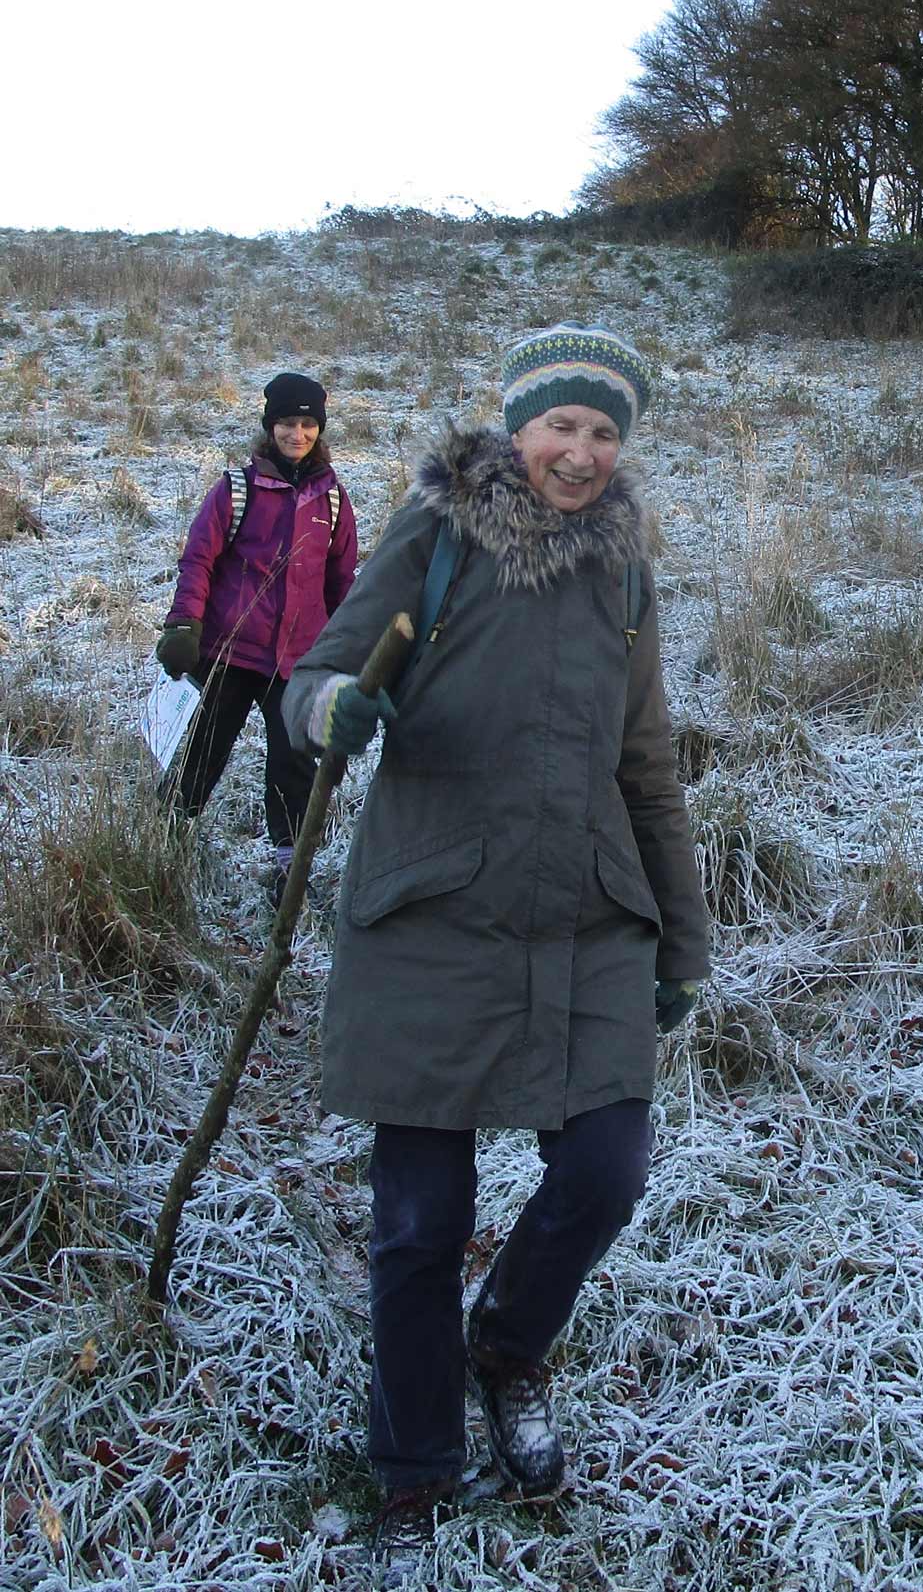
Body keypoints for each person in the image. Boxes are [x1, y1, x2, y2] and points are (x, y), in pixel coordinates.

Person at [281, 323, 709, 1581]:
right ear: (515, 424)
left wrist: (681, 937)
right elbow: (314, 675)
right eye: (559, 425)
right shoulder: (438, 535)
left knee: (608, 1166)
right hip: (431, 918)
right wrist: (332, 709)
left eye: (602, 431)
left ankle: (508, 1344)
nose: (579, 453)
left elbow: (647, 769)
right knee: (420, 1218)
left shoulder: (624, 574)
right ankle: (413, 1466)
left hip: (582, 918)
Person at [156, 372, 358, 906]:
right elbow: (199, 558)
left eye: (308, 424)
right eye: (288, 424)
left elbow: (341, 582)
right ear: (270, 428)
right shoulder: (237, 489)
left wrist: (346, 649)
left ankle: (289, 871)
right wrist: (184, 625)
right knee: (202, 751)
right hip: (229, 650)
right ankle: (163, 842)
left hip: (296, 661)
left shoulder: (332, 500)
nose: (298, 434)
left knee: (294, 766)